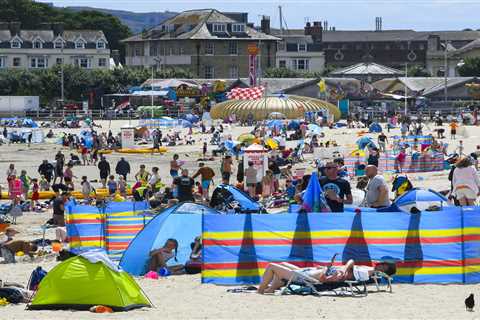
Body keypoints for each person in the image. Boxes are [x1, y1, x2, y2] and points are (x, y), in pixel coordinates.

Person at [257, 255, 396, 294]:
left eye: (382, 263)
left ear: (383, 267)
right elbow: (351, 264)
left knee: (271, 266)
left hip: (310, 277)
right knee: (281, 265)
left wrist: (328, 269)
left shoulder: (367, 272)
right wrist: (345, 267)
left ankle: (260, 291)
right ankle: (269, 289)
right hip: (309, 273)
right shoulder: (367, 271)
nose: (379, 262)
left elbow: (325, 280)